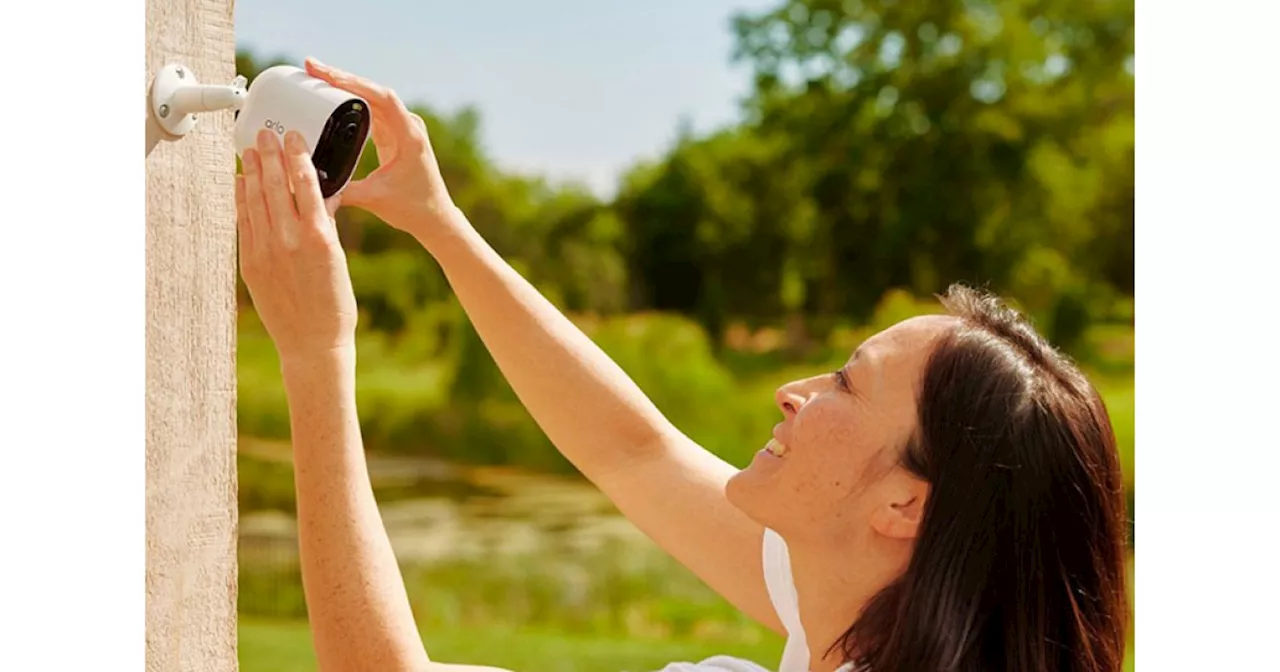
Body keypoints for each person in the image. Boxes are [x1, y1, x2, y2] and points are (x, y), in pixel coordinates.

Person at [234, 57, 1131, 672]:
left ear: (905, 504)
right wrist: (440, 224)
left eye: (847, 384)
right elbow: (635, 450)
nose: (794, 391)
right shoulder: (865, 621)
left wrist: (317, 355)